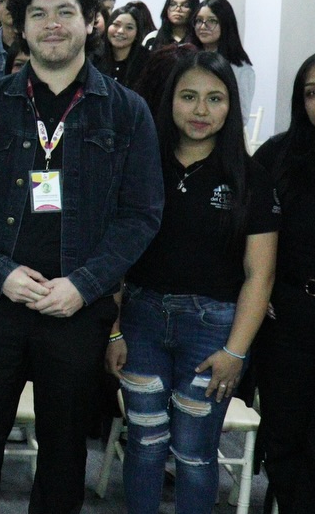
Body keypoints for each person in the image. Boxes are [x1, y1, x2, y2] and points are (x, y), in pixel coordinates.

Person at [0, 0, 163, 514]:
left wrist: (85, 286)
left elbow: (141, 214)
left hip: (75, 312)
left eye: (66, 12)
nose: (53, 24)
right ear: (18, 27)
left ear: (92, 22)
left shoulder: (127, 110)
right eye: (38, 14)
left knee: (64, 456)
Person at [105, 50, 277, 514]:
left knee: (195, 453)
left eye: (215, 99)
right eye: (188, 97)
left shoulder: (250, 178)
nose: (201, 111)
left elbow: (259, 276)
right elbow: (117, 256)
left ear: (231, 106)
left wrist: (236, 352)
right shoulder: (140, 167)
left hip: (213, 330)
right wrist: (114, 329)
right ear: (169, 102)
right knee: (144, 442)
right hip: (140, 320)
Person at [252, 48, 315, 512]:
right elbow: (246, 234)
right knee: (285, 440)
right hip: (288, 323)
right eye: (311, 92)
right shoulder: (279, 155)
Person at [193, 0, 255, 112]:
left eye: (212, 21)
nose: (202, 26)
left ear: (225, 24)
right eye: (199, 20)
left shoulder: (239, 68)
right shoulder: (188, 57)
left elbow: (241, 114)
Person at [104, 3, 151, 88]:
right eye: (116, 25)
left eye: (129, 27)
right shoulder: (93, 56)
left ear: (137, 33)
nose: (121, 31)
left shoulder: (148, 61)